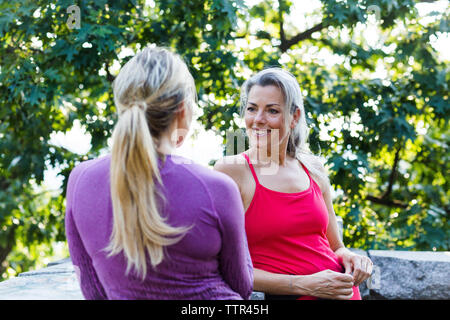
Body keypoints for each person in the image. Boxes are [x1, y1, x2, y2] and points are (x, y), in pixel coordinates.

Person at [65, 46, 253, 300]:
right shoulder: (217, 187)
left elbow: (93, 290)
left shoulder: (80, 180)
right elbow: (242, 285)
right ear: (183, 110)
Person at [214, 67, 372, 300]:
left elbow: (335, 246)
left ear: (294, 117)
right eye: (251, 108)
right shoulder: (232, 170)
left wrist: (351, 257)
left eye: (272, 111)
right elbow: (220, 267)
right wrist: (303, 285)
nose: (258, 119)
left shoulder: (313, 169)